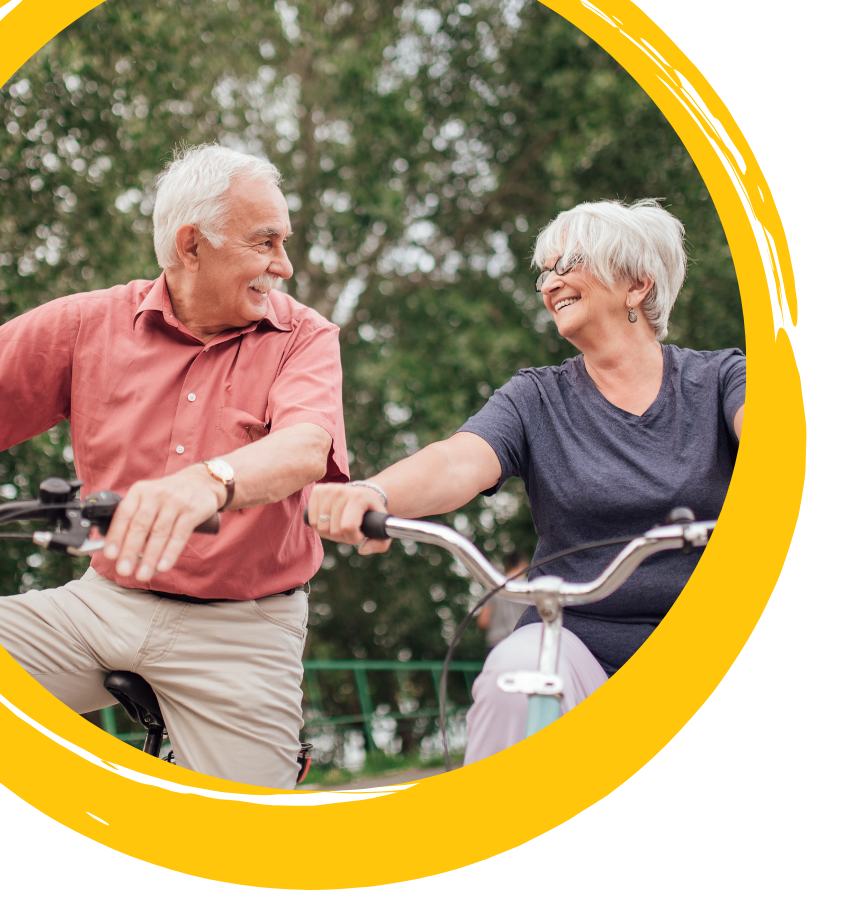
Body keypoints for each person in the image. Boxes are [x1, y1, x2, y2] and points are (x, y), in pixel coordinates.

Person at [0, 143, 349, 789]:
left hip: (243, 631)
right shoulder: (89, 324)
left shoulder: (303, 337)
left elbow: (306, 446)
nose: (284, 264)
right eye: (265, 242)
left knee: (253, 852)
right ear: (191, 246)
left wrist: (210, 481)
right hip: (101, 605)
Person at [308, 199, 744, 762]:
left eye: (569, 263)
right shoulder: (538, 398)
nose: (550, 282)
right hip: (575, 643)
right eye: (545, 270)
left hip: (713, 645)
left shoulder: (718, 381)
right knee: (515, 677)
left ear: (637, 285)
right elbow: (455, 461)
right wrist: (375, 492)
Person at [476, 551, 528, 649]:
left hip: (496, 646)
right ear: (523, 564)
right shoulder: (529, 587)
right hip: (520, 643)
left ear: (507, 565)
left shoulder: (494, 586)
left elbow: (483, 621)